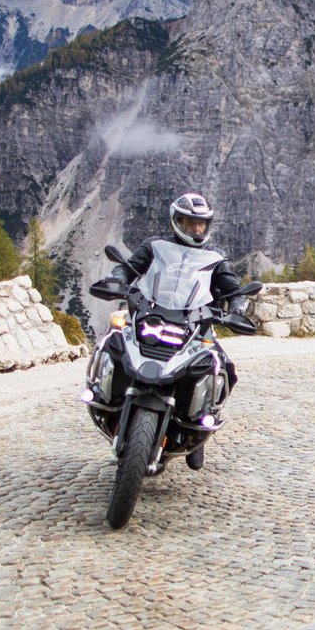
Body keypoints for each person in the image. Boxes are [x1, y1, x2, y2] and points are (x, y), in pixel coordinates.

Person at [109, 191, 247, 467]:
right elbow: (130, 268)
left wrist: (237, 308)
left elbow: (234, 290)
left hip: (195, 325)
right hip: (153, 316)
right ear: (176, 221)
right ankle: (108, 399)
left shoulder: (216, 260)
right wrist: (117, 278)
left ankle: (201, 425)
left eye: (201, 224)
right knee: (114, 342)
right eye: (189, 223)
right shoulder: (154, 246)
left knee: (226, 369)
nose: (196, 229)